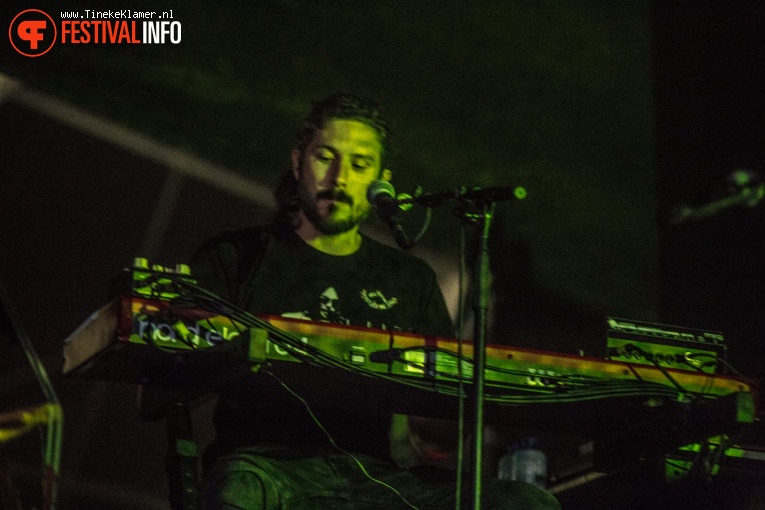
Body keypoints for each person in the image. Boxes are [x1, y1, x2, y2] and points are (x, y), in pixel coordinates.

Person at [190, 93, 560, 510]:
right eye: (325, 157)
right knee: (235, 494)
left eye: (360, 165)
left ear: (381, 180)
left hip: (374, 480)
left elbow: (432, 439)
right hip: (262, 469)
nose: (339, 177)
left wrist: (467, 401)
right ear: (298, 163)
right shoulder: (235, 257)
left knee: (526, 502)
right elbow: (167, 375)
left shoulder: (409, 280)